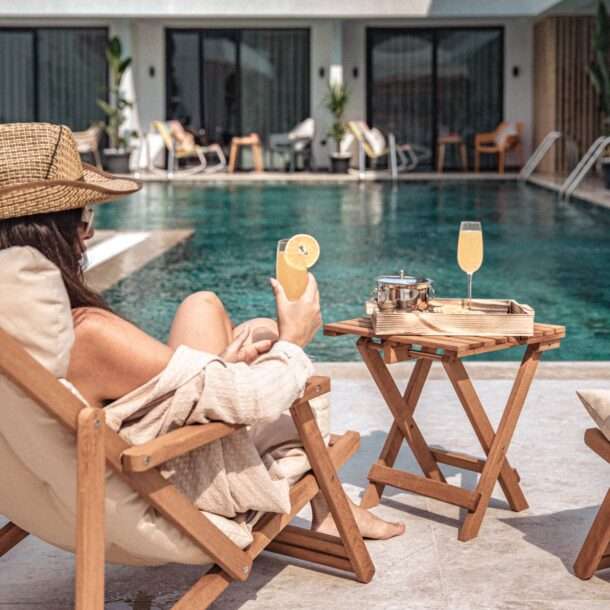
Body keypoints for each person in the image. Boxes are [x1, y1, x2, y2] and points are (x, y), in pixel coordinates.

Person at [0, 122, 404, 540]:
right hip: (170, 480)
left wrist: (218, 366)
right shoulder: (87, 334)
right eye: (83, 220)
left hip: (121, 451)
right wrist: (294, 340)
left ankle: (328, 503)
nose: (90, 233)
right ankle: (333, 505)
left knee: (205, 306)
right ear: (50, 232)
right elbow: (254, 400)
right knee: (278, 350)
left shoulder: (18, 319)